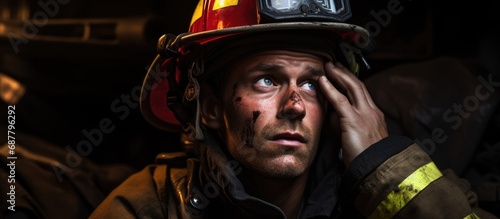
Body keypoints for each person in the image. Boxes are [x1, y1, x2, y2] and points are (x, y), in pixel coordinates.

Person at [90, 0, 497, 218]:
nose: (295, 106)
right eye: (266, 79)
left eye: (310, 82)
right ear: (211, 108)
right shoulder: (151, 206)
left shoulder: (388, 196)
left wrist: (383, 172)